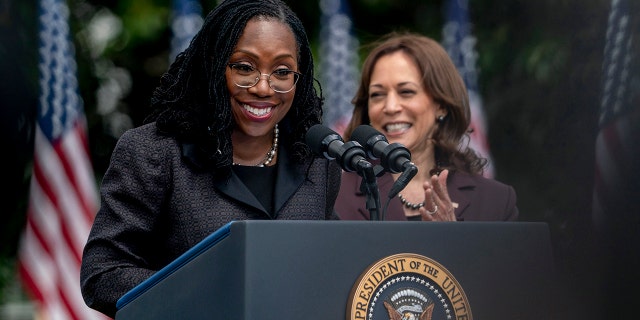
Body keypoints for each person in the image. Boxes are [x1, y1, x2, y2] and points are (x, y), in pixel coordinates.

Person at [80, 0, 342, 317]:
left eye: (282, 71)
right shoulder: (154, 153)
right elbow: (103, 274)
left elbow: (330, 266)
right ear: (214, 67)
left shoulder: (316, 160)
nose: (263, 87)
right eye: (245, 67)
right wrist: (207, 295)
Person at [335, 32, 518, 222]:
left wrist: (455, 239)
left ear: (441, 105)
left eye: (406, 92)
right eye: (377, 95)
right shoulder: (334, 196)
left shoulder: (495, 201)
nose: (390, 107)